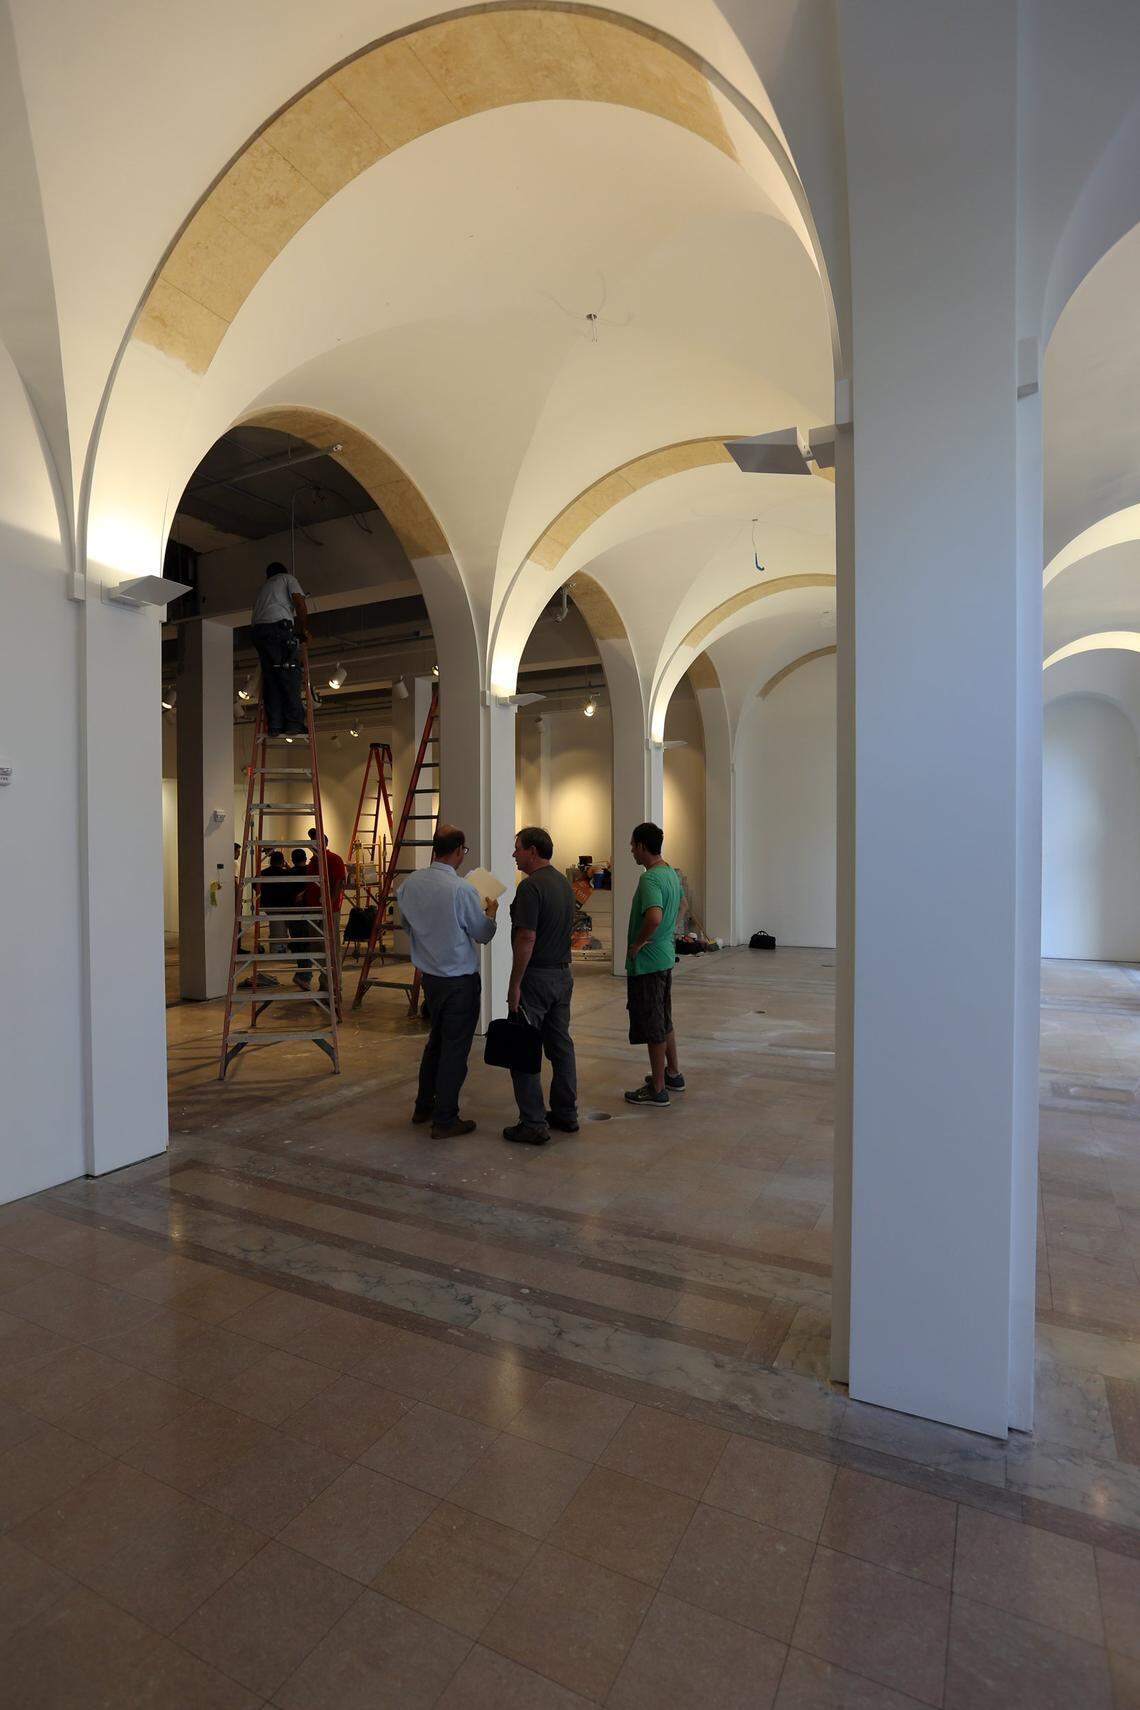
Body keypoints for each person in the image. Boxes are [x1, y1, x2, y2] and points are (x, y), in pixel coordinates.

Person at [397, 825, 498, 1138]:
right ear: (457, 850)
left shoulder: (410, 884)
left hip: (431, 979)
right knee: (454, 1050)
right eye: (464, 850)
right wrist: (491, 913)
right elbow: (482, 933)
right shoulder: (462, 890)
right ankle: (445, 1119)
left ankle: (423, 1106)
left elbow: (407, 925)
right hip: (458, 982)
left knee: (436, 1044)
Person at [504, 826, 578, 1146]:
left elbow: (527, 937)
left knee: (523, 1049)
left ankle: (533, 1123)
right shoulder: (563, 884)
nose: (514, 854)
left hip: (536, 978)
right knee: (560, 1047)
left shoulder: (530, 887)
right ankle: (565, 1112)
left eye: (518, 848)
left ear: (532, 851)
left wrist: (515, 984)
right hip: (562, 975)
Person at [624, 821, 684, 1106]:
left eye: (633, 845)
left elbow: (654, 917)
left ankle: (658, 1088)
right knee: (664, 1018)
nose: (631, 851)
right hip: (664, 956)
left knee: (653, 1025)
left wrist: (638, 943)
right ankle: (673, 1074)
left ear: (642, 846)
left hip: (648, 962)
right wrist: (667, 933)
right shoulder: (670, 872)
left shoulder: (649, 879)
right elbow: (682, 906)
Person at [250, 561, 310, 737]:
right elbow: (299, 603)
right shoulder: (287, 578)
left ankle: (275, 725)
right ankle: (293, 724)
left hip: (258, 634)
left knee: (272, 678)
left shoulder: (264, 588)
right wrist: (304, 629)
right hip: (277, 629)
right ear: (284, 572)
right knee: (290, 673)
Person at [299, 833, 347, 992]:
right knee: (317, 947)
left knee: (331, 947)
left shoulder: (333, 859)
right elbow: (313, 883)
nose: (311, 844)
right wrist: (304, 894)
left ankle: (334, 985)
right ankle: (325, 982)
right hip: (314, 909)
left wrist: (329, 904)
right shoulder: (313, 861)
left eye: (313, 841)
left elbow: (339, 883)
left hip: (328, 911)